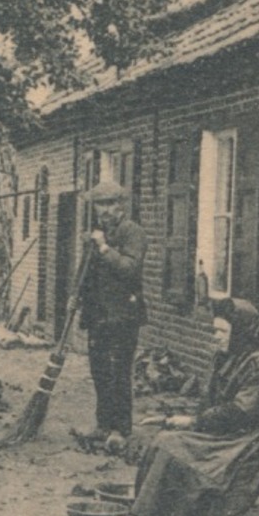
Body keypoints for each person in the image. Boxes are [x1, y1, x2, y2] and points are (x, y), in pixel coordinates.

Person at [103, 298, 259, 516]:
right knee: (162, 439)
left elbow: (240, 412)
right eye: (215, 330)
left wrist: (194, 422)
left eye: (222, 331)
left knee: (172, 446)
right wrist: (180, 418)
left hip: (251, 439)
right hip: (230, 430)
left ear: (242, 332)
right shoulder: (230, 355)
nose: (216, 336)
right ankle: (147, 512)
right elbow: (212, 401)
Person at [79, 179, 148, 451]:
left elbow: (130, 268)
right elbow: (86, 271)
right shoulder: (95, 235)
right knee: (99, 370)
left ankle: (121, 428)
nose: (104, 210)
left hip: (123, 314)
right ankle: (102, 424)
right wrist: (77, 294)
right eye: (100, 204)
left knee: (119, 371)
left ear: (121, 206)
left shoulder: (133, 232)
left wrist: (105, 248)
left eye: (110, 204)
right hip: (98, 313)